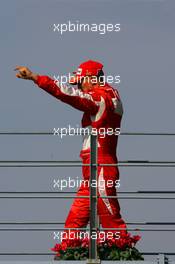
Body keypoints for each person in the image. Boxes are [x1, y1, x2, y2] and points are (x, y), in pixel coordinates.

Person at [14, 60, 127, 241]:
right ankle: (69, 249)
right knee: (75, 219)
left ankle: (122, 249)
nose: (80, 87)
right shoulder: (111, 96)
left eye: (81, 81)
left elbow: (68, 94)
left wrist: (36, 78)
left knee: (110, 217)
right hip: (94, 167)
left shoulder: (100, 98)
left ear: (91, 78)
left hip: (100, 166)